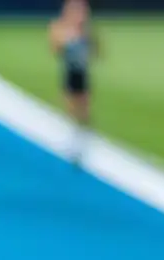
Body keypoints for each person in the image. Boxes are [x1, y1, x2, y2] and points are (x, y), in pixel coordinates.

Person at [49, 0, 97, 163]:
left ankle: (83, 141)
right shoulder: (61, 29)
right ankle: (71, 141)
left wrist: (85, 36)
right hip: (70, 73)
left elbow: (96, 51)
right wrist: (68, 39)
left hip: (82, 73)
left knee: (84, 110)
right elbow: (55, 49)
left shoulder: (85, 30)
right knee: (70, 108)